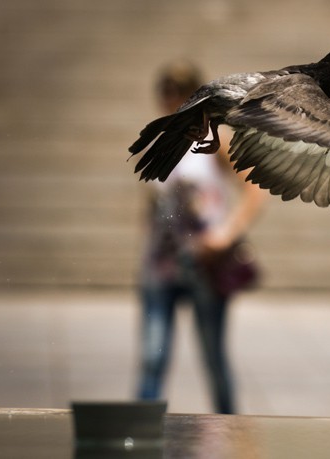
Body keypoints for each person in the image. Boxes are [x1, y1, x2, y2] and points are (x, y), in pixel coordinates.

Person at [136, 60, 267, 414]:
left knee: (213, 358)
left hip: (204, 266)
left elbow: (255, 190)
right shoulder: (159, 142)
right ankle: (140, 435)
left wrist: (226, 234)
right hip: (160, 266)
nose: (172, 101)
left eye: (181, 93)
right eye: (167, 93)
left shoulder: (215, 142)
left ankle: (228, 428)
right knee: (152, 357)